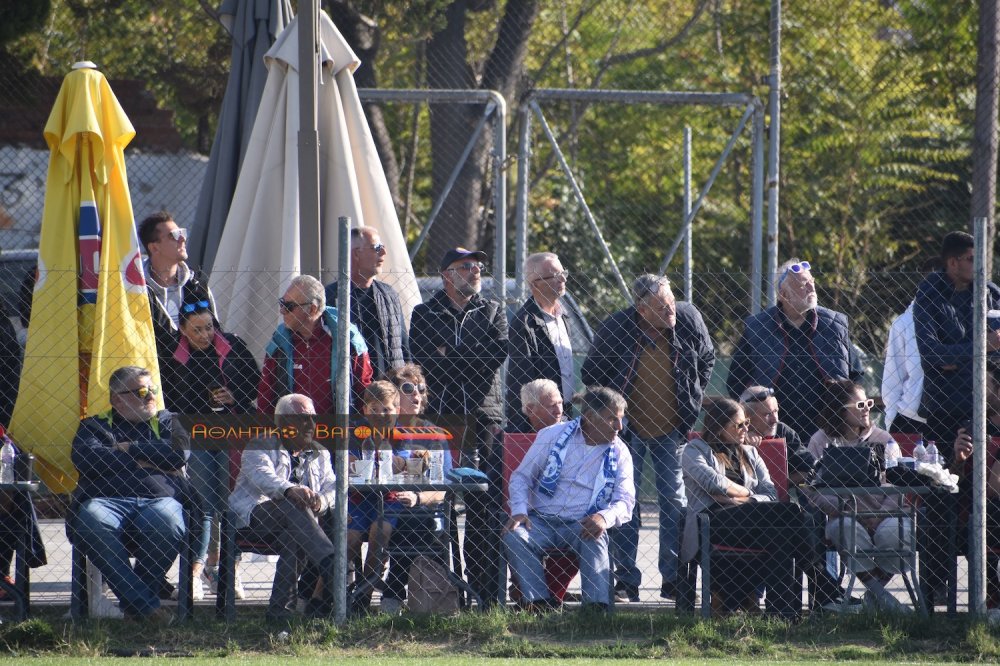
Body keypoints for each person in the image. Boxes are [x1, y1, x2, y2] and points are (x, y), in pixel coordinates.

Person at [581, 273, 715, 602]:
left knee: (675, 503)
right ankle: (626, 580)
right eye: (661, 306)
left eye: (671, 302)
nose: (671, 310)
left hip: (673, 428)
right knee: (626, 503)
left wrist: (693, 396)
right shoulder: (617, 327)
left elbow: (707, 357)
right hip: (628, 432)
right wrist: (614, 413)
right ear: (641, 310)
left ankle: (673, 579)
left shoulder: (688, 318)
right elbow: (591, 373)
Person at [409, 247, 508, 606]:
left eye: (479, 266)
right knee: (440, 502)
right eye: (467, 267)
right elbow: (427, 365)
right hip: (442, 421)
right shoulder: (424, 313)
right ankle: (444, 592)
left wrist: (449, 355)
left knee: (484, 503)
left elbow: (494, 357)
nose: (476, 271)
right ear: (448, 274)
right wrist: (467, 357)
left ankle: (483, 591)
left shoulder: (493, 311)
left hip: (485, 420)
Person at [161, 285, 260, 601]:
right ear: (183, 329)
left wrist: (236, 396)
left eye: (209, 327)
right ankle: (194, 571)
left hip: (233, 431)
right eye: (197, 330)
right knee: (204, 503)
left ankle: (226, 569)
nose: (204, 335)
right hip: (197, 433)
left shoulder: (233, 346)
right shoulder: (174, 355)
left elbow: (255, 382)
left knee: (228, 500)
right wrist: (198, 400)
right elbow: (171, 397)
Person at [70, 366, 189, 622]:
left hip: (159, 501)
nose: (150, 396)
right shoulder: (94, 425)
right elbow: (88, 460)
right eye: (141, 391)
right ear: (117, 399)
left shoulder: (168, 420)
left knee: (167, 522)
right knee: (92, 518)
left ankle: (137, 607)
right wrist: (144, 460)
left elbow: (177, 454)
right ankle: (144, 608)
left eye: (152, 389)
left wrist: (130, 448)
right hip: (105, 501)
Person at [503, 386, 635, 612]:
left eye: (621, 420)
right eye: (612, 419)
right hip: (540, 520)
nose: (619, 427)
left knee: (596, 537)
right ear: (590, 417)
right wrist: (519, 510)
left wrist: (604, 517)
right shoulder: (552, 436)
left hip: (580, 524)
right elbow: (522, 477)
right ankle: (540, 604)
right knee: (515, 536)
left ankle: (596, 610)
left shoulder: (620, 452)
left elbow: (625, 500)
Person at [681, 398, 807, 617]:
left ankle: (780, 615)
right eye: (739, 425)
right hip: (714, 521)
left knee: (781, 536)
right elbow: (714, 484)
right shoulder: (694, 450)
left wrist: (742, 499)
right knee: (792, 513)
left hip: (750, 520)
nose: (746, 429)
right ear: (719, 427)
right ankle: (818, 573)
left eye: (746, 422)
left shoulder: (750, 452)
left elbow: (771, 493)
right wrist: (749, 492)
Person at [804, 379, 913, 613]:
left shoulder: (884, 440)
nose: (867, 409)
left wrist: (879, 515)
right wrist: (846, 510)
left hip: (886, 514)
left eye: (869, 403)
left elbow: (899, 485)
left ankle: (872, 599)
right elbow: (814, 490)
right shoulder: (820, 441)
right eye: (860, 404)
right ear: (839, 410)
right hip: (845, 514)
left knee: (896, 533)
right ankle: (884, 598)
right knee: (845, 529)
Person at [727, 258, 864, 441]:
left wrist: (846, 416)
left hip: (827, 428)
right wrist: (752, 420)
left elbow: (856, 375)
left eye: (811, 282)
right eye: (803, 285)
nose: (811, 288)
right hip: (775, 427)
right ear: (783, 294)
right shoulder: (758, 328)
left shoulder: (834, 326)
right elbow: (736, 381)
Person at [228, 393, 337, 620]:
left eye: (313, 418)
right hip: (255, 515)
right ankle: (331, 563)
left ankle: (279, 613)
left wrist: (322, 501)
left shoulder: (320, 453)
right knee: (292, 505)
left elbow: (332, 486)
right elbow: (263, 477)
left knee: (292, 537)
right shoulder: (260, 444)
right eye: (303, 418)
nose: (310, 424)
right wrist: (290, 490)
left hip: (298, 525)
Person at [373, 366, 455, 615]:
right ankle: (379, 593)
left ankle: (391, 594)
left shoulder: (434, 433)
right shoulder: (378, 429)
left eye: (421, 389)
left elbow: (444, 487)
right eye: (408, 389)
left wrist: (418, 497)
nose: (417, 395)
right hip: (378, 504)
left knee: (416, 522)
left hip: (419, 508)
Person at [913, 231, 1000, 445]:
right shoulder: (929, 295)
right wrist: (981, 347)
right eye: (972, 259)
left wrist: (957, 356)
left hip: (990, 406)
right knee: (946, 476)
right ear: (953, 262)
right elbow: (932, 354)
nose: (979, 265)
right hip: (946, 409)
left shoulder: (989, 293)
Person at [258, 274, 373, 415]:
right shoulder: (279, 342)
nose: (282, 311)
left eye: (289, 306)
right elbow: (266, 398)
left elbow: (364, 393)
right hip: (293, 433)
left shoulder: (348, 340)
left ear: (312, 309)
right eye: (282, 303)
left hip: (337, 432)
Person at [347, 381, 408, 612]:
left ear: (397, 411)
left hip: (389, 497)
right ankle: (323, 597)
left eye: (387, 409)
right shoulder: (356, 432)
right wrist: (381, 463)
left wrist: (380, 455)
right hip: (358, 498)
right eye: (374, 409)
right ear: (365, 410)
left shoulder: (401, 434)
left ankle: (364, 594)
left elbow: (400, 464)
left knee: (379, 531)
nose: (381, 415)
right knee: (350, 538)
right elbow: (350, 466)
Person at [324, 227, 410, 377]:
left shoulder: (389, 295)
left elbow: (403, 345)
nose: (383, 253)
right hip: (349, 391)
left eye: (383, 247)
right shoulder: (330, 297)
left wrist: (407, 382)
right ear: (356, 254)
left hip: (389, 392)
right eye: (377, 247)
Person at [507, 252, 577, 432]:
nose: (562, 279)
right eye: (554, 275)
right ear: (534, 284)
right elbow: (522, 381)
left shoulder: (563, 317)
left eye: (563, 273)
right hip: (539, 421)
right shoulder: (524, 323)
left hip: (564, 412)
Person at [138, 211, 216, 357]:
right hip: (152, 370)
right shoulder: (136, 291)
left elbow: (215, 333)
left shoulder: (197, 286)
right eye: (174, 235)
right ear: (154, 248)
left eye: (182, 233)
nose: (182, 239)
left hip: (195, 371)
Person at [738, 385, 803, 449]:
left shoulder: (782, 430)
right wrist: (744, 443)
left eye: (776, 411)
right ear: (747, 416)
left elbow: (805, 458)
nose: (775, 420)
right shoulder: (734, 436)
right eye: (768, 414)